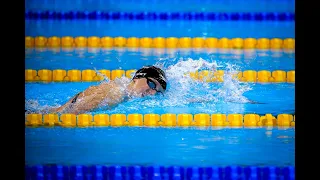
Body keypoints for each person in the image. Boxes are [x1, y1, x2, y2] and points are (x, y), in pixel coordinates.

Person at [49, 65, 167, 115]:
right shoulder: (116, 94)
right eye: (152, 84)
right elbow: (71, 114)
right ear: (137, 77)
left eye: (157, 92)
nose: (152, 93)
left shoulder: (119, 89)